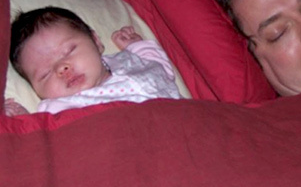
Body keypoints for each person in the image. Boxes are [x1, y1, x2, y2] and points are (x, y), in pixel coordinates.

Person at [5, 6, 181, 115]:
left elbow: (161, 68)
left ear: (96, 41)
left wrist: (137, 46)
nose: (62, 68)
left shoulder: (130, 60)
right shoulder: (61, 108)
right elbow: (47, 140)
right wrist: (22, 117)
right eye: (45, 74)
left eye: (69, 51)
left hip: (186, 124)